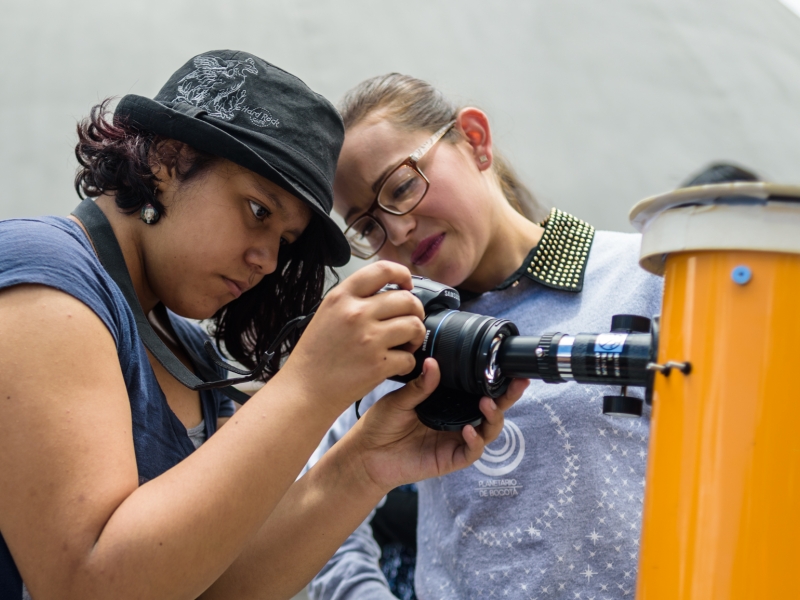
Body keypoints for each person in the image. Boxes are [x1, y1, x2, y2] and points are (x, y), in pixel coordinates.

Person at [0, 53, 526, 600]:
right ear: (166, 158)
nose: (268, 260)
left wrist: (365, 464)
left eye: (285, 241)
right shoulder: (45, 275)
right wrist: (310, 383)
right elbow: (85, 586)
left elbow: (217, 586)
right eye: (257, 211)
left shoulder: (190, 353)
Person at [305, 73, 664, 599]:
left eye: (402, 187)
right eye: (367, 226)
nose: (397, 230)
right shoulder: (401, 337)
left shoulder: (645, 279)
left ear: (474, 140)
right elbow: (319, 510)